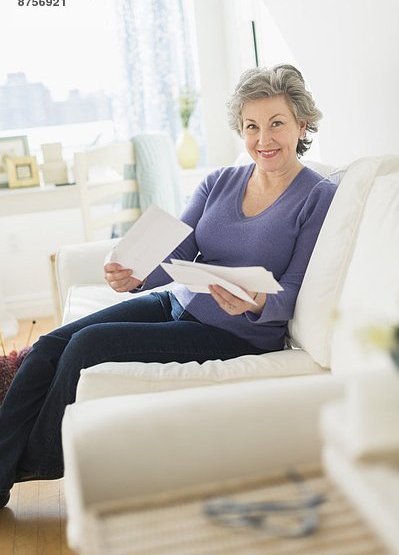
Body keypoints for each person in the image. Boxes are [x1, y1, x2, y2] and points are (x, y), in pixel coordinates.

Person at [0, 64, 337, 508]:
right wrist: (133, 273)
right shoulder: (220, 181)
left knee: (86, 346)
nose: (263, 139)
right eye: (251, 126)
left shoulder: (317, 195)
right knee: (47, 346)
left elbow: (292, 289)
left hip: (235, 332)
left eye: (277, 124)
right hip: (176, 301)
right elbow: (175, 247)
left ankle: (37, 459)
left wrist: (253, 302)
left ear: (302, 124)